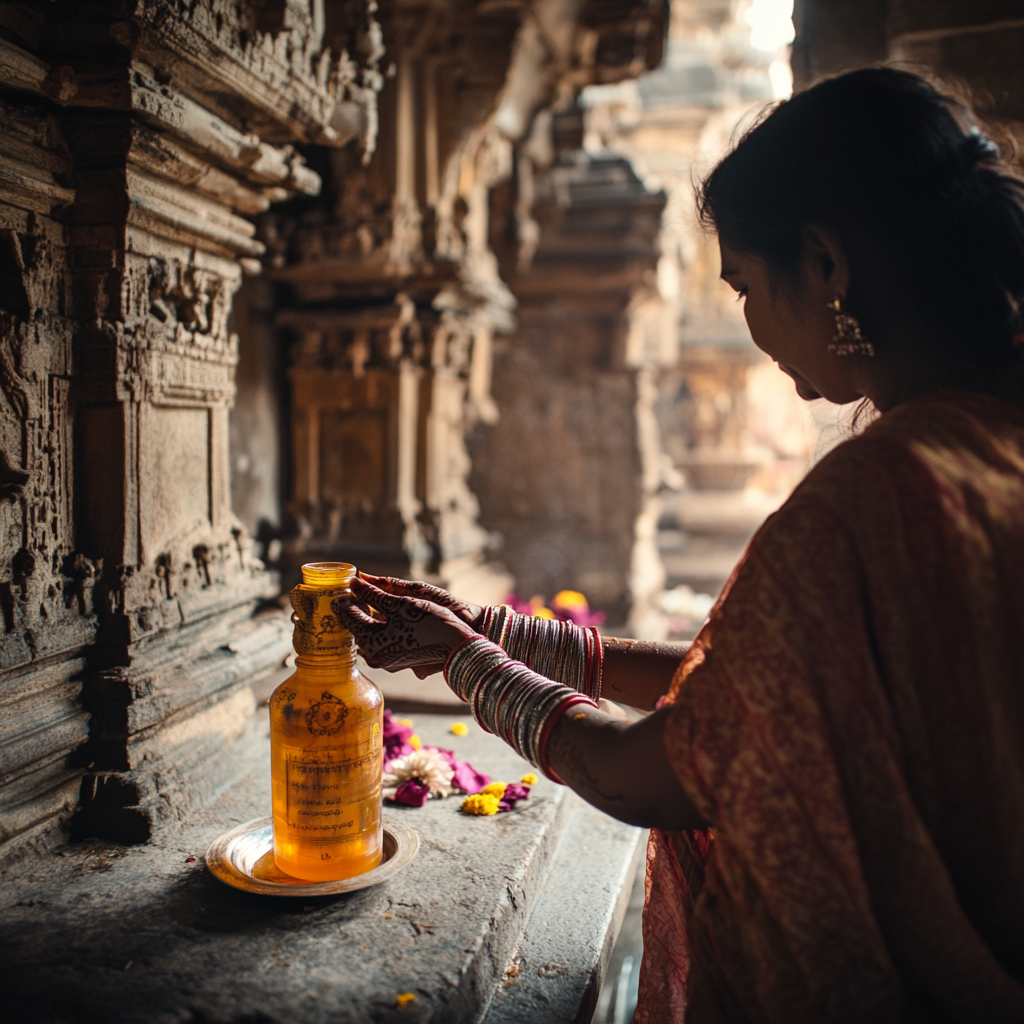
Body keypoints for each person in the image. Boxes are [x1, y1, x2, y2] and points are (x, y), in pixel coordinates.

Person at [335, 68, 1024, 1022]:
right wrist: (498, 630)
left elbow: (656, 773)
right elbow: (762, 701)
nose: (744, 320)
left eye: (743, 282)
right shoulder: (987, 444)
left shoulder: (877, 495)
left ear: (825, 263)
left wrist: (469, 665)